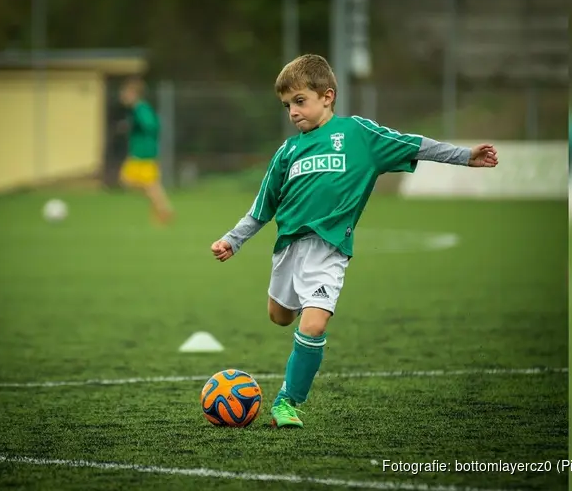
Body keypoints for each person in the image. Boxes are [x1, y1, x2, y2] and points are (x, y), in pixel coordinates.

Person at [209, 54, 499, 429]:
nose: (293, 112)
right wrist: (233, 241)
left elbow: (413, 144)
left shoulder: (359, 135)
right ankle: (303, 313)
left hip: (330, 250)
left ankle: (287, 402)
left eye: (300, 101)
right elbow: (261, 208)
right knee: (279, 317)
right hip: (288, 251)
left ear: (327, 96)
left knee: (312, 326)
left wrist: (464, 156)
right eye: (286, 105)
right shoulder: (287, 152)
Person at [118, 76, 174, 224]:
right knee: (147, 184)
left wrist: (137, 129)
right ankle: (162, 209)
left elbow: (152, 125)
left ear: (133, 93)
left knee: (134, 182)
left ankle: (163, 209)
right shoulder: (139, 109)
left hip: (143, 153)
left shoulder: (140, 108)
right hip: (142, 152)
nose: (122, 95)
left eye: (125, 92)